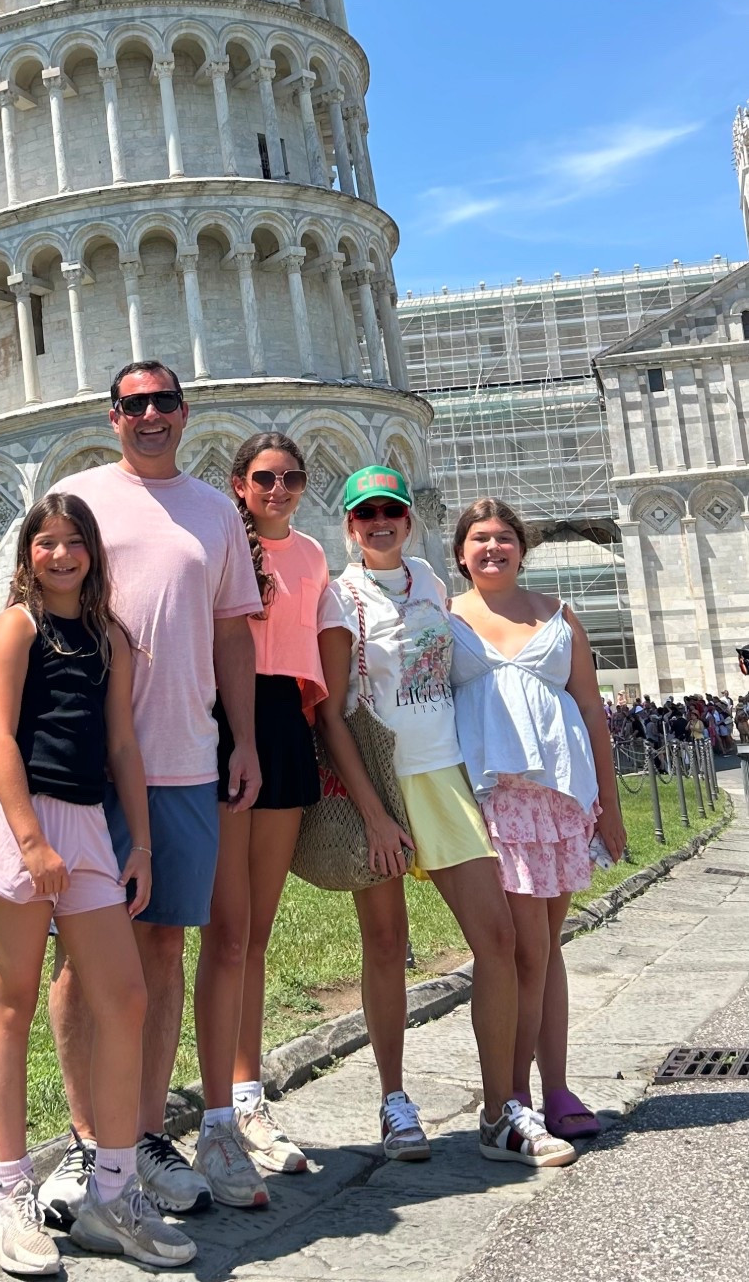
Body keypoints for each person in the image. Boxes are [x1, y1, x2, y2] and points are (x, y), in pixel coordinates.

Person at [41, 361, 263, 1224]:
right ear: (112, 416)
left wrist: (240, 737)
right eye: (133, 405)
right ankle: (85, 1141)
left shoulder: (213, 510)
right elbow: (38, 609)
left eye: (162, 402)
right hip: (83, 764)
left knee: (164, 946)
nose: (148, 416)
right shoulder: (80, 496)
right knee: (81, 955)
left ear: (183, 411)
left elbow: (231, 635)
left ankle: (139, 1140)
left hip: (182, 756)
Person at [324, 465, 577, 1168]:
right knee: (384, 943)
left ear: (407, 520)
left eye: (391, 512)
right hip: (378, 781)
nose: (380, 522)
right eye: (366, 513)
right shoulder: (337, 597)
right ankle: (394, 1100)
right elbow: (332, 715)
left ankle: (500, 1110)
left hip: (445, 778)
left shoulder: (434, 586)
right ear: (349, 524)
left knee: (495, 942)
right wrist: (372, 814)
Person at [0, 491, 195, 1275]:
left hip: (90, 827)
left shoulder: (108, 638)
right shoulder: (17, 627)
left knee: (124, 998)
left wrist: (139, 847)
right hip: (20, 819)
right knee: (13, 1000)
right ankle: (6, 1199)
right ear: (26, 553)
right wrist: (28, 840)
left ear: (92, 554)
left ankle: (111, 1190)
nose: (60, 556)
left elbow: (124, 745)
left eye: (74, 543)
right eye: (46, 543)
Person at [449, 497, 628, 1142]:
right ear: (461, 553)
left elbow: (591, 710)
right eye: (478, 540)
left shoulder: (559, 614)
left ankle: (553, 1085)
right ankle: (515, 1091)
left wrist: (605, 802)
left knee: (548, 950)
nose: (491, 549)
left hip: (559, 800)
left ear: (522, 548)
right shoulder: (444, 616)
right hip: (494, 798)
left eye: (502, 538)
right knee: (523, 951)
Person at [193, 432, 344, 1195]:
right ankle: (217, 1110)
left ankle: (248, 1098)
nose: (277, 490)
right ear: (238, 484)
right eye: (263, 478)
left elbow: (319, 659)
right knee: (225, 931)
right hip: (229, 718)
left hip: (286, 718)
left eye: (289, 479)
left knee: (256, 932)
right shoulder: (222, 546)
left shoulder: (314, 557)